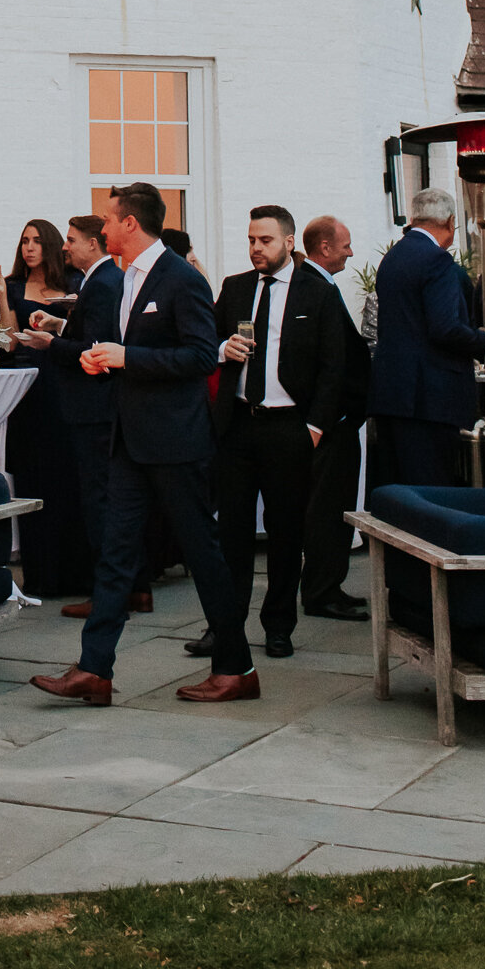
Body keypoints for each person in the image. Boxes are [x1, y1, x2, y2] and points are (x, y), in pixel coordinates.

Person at [29, 182, 257, 707]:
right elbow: (123, 350)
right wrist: (99, 361)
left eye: (109, 220)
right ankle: (94, 670)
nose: (102, 228)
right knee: (115, 554)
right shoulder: (122, 278)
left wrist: (128, 359)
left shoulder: (180, 278)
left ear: (130, 223)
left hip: (177, 443)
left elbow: (203, 356)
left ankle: (237, 667)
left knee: (204, 555)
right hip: (129, 439)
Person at [207, 207, 347, 659]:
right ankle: (224, 625)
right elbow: (202, 343)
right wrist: (221, 348)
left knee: (286, 531)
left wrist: (314, 428)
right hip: (238, 424)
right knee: (231, 532)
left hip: (290, 426)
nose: (255, 248)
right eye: (251, 239)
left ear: (289, 242)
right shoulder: (235, 288)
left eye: (265, 240)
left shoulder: (317, 292)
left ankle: (278, 624)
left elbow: (334, 367)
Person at [21, 212, 153, 621]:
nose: (65, 246)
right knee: (112, 500)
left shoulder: (100, 283)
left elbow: (95, 347)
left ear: (92, 244)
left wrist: (49, 344)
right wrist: (61, 324)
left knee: (99, 502)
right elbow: (92, 331)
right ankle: (136, 588)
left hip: (93, 408)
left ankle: (108, 595)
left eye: (72, 240)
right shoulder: (103, 281)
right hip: (100, 407)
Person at [0, 219, 90, 598]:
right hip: (29, 388)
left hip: (65, 384)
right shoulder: (13, 287)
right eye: (24, 241)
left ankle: (78, 575)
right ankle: (41, 575)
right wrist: (1, 297)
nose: (29, 248)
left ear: (51, 245)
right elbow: (7, 346)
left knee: (70, 479)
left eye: (36, 241)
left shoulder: (76, 283)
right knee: (33, 478)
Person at [369, 189, 485, 488]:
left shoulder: (393, 256)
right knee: (430, 488)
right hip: (429, 397)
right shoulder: (437, 260)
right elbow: (445, 327)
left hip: (392, 393)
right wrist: (482, 339)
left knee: (398, 489)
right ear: (451, 222)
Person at [298, 214, 372, 622]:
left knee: (333, 504)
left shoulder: (319, 285)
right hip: (332, 421)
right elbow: (326, 360)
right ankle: (322, 590)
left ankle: (329, 585)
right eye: (345, 244)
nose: (351, 251)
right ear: (324, 247)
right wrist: (333, 416)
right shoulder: (313, 288)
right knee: (328, 506)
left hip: (335, 418)